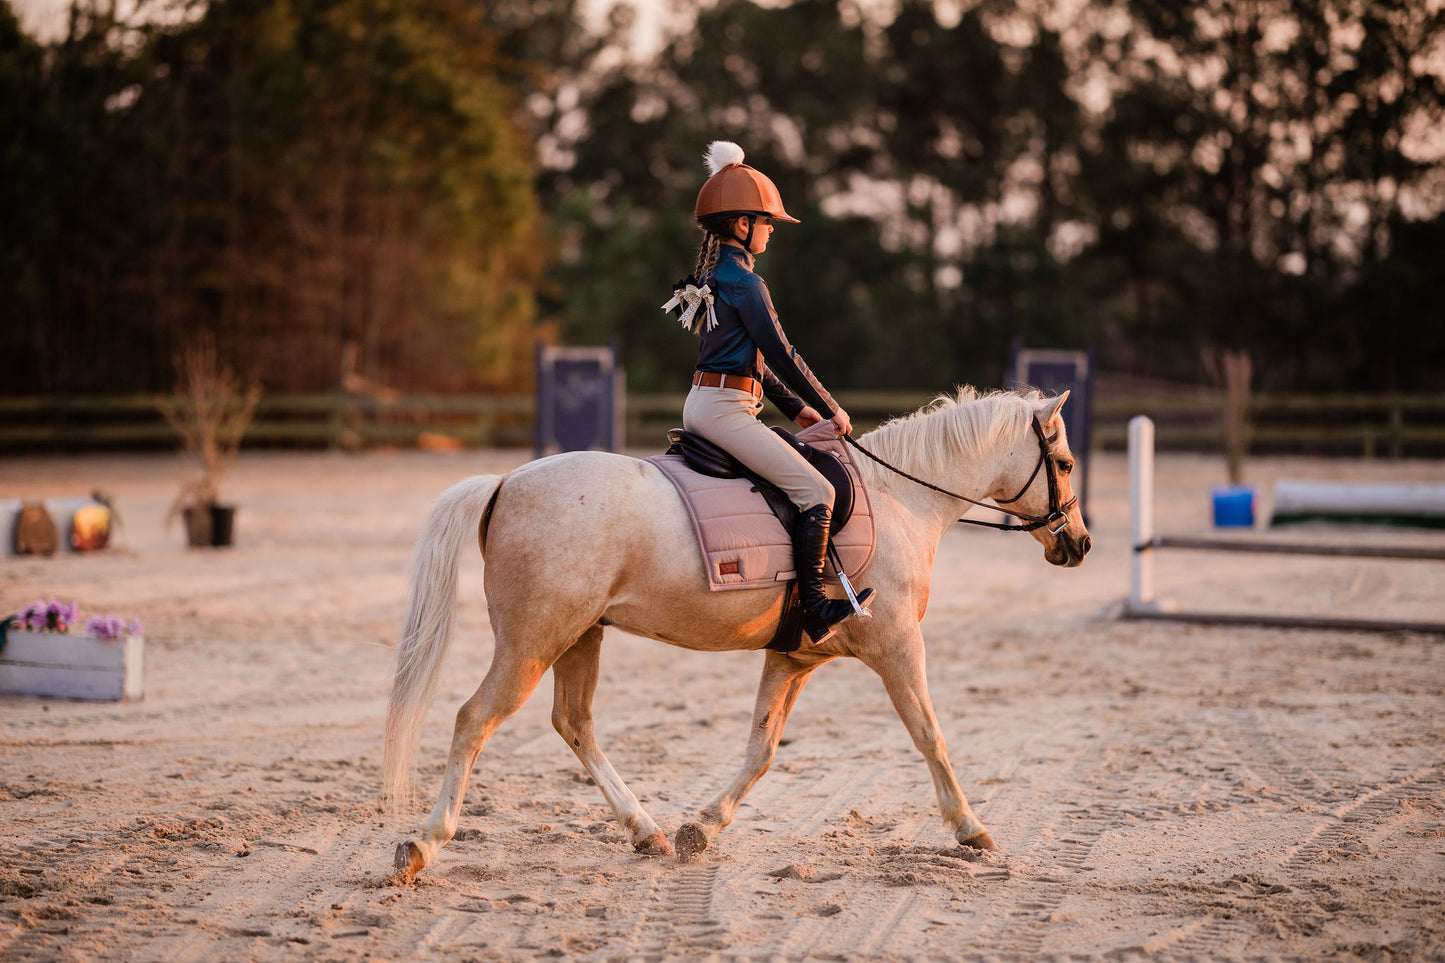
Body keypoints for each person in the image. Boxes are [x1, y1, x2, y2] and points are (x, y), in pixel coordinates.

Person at [663, 140, 874, 645]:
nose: (772, 229)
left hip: (709, 403)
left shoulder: (719, 275)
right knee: (817, 491)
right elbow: (782, 353)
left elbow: (755, 361)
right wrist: (832, 408)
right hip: (726, 412)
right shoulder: (746, 283)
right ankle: (817, 608)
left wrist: (799, 409)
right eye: (767, 221)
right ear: (742, 225)